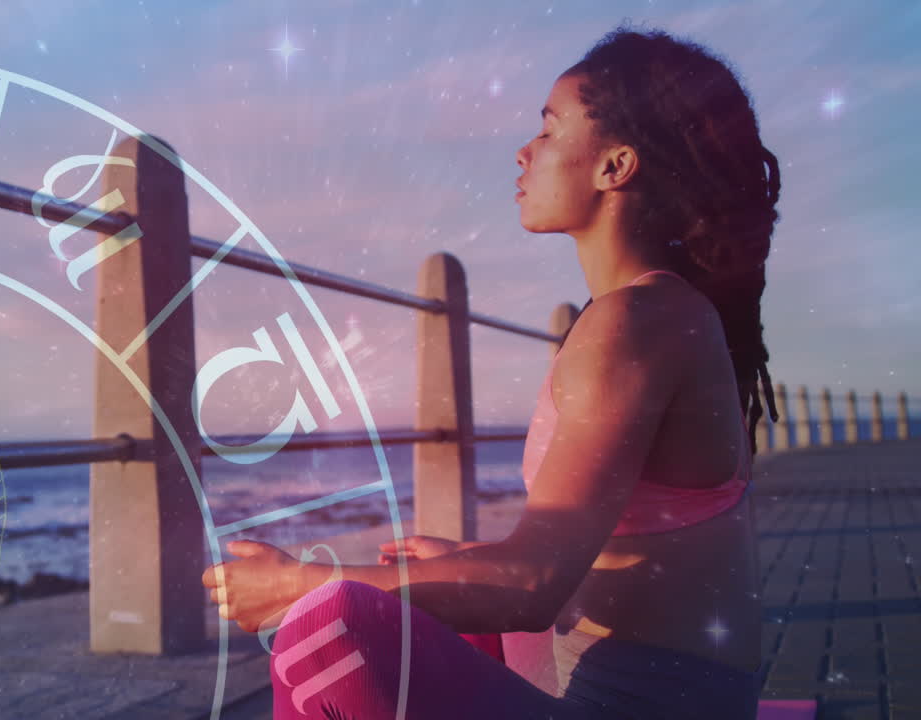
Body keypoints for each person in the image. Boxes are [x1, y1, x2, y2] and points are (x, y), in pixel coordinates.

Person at [202, 21, 781, 719]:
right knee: (434, 594)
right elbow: (612, 545)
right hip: (631, 685)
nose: (524, 151)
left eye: (549, 128)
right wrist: (463, 557)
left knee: (329, 632)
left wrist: (298, 584)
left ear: (615, 166)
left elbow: (532, 585)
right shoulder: (642, 315)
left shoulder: (635, 325)